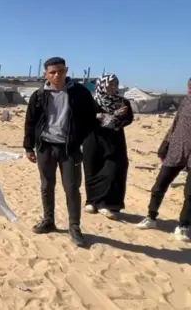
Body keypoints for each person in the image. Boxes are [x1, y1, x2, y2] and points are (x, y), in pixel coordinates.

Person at [23, 57, 97, 247]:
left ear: (66, 71)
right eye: (53, 72)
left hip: (69, 149)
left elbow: (91, 118)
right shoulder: (39, 95)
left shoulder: (79, 93)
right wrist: (28, 147)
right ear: (45, 74)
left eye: (61, 71)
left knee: (72, 187)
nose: (57, 75)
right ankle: (49, 221)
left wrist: (78, 138)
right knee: (46, 185)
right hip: (45, 147)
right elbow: (30, 122)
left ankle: (74, 226)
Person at [135, 84, 191, 242]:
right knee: (159, 186)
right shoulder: (186, 102)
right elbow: (175, 124)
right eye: (189, 87)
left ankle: (184, 226)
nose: (189, 90)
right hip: (176, 149)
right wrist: (164, 145)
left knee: (190, 194)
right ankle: (151, 217)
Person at [82, 74, 134, 219]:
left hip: (114, 140)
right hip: (93, 139)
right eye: (110, 84)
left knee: (113, 169)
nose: (113, 87)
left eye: (115, 84)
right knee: (92, 169)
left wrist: (116, 119)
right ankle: (91, 201)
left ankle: (106, 204)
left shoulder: (122, 101)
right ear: (102, 85)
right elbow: (87, 119)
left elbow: (129, 119)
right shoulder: (91, 101)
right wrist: (110, 116)